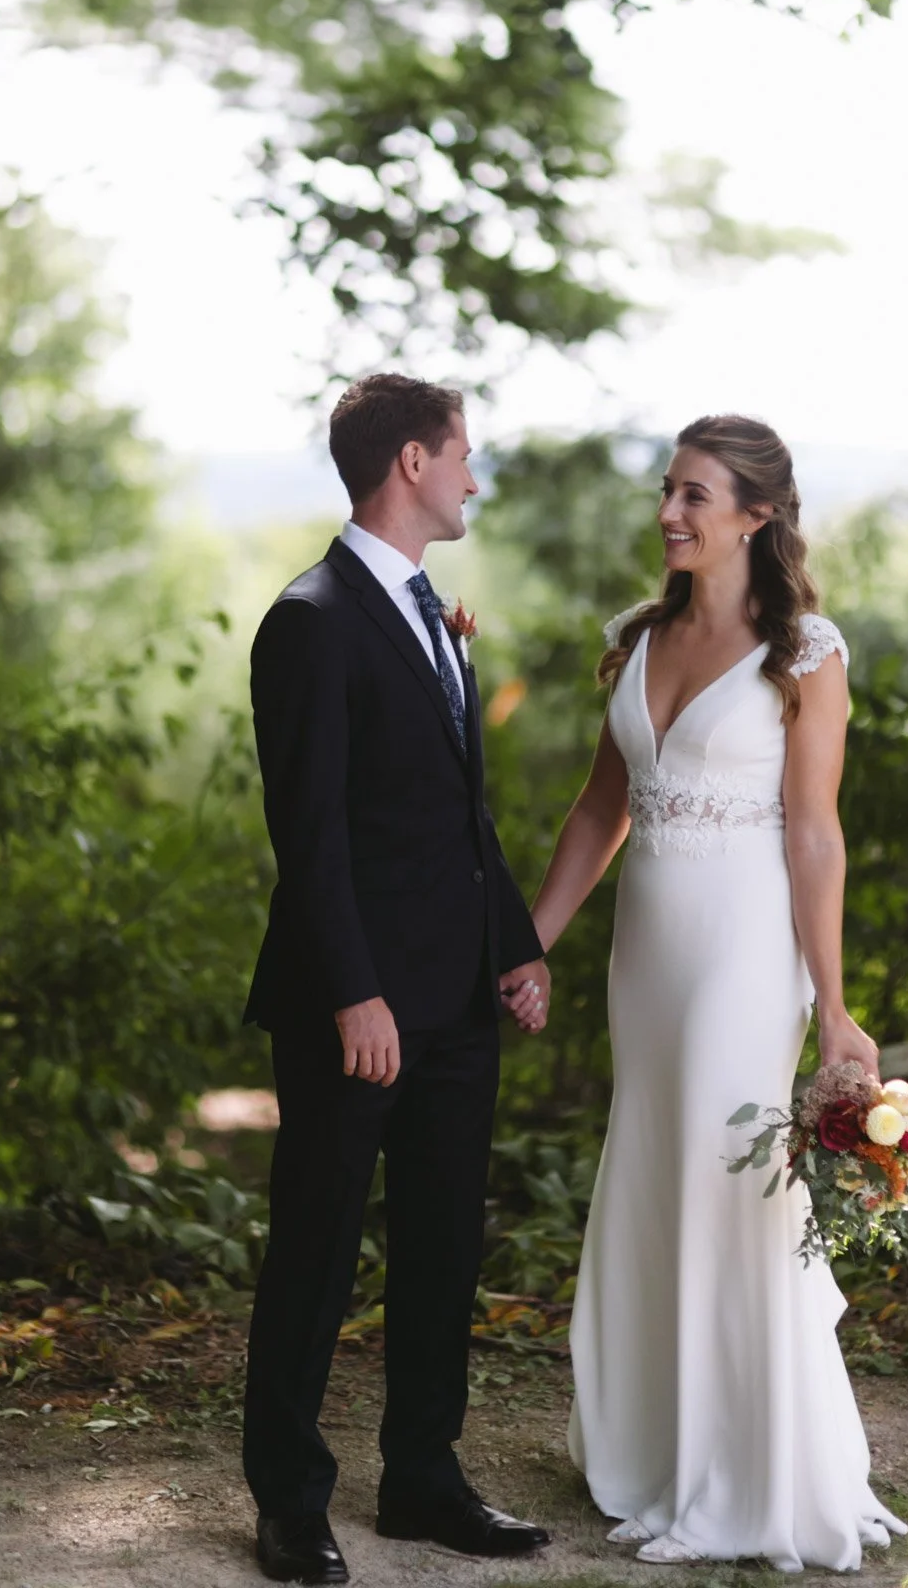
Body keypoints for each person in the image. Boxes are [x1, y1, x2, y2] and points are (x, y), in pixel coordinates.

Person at [528, 415, 908, 1572]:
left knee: (727, 1175)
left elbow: (813, 834)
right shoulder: (637, 637)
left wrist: (834, 1008)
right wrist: (529, 940)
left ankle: (742, 1468)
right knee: (652, 1164)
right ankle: (651, 1443)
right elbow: (602, 808)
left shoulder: (805, 654)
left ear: (756, 514)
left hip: (747, 948)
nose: (670, 513)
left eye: (696, 494)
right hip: (646, 949)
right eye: (667, 489)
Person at [241, 373, 552, 1585]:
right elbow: (307, 831)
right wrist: (351, 992)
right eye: (463, 455)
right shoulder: (310, 618)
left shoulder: (430, 612)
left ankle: (421, 1477)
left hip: (456, 1000)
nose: (474, 476)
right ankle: (288, 1501)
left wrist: (514, 943)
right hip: (353, 1007)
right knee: (314, 1250)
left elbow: (456, 818)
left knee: (441, 1245)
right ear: (413, 462)